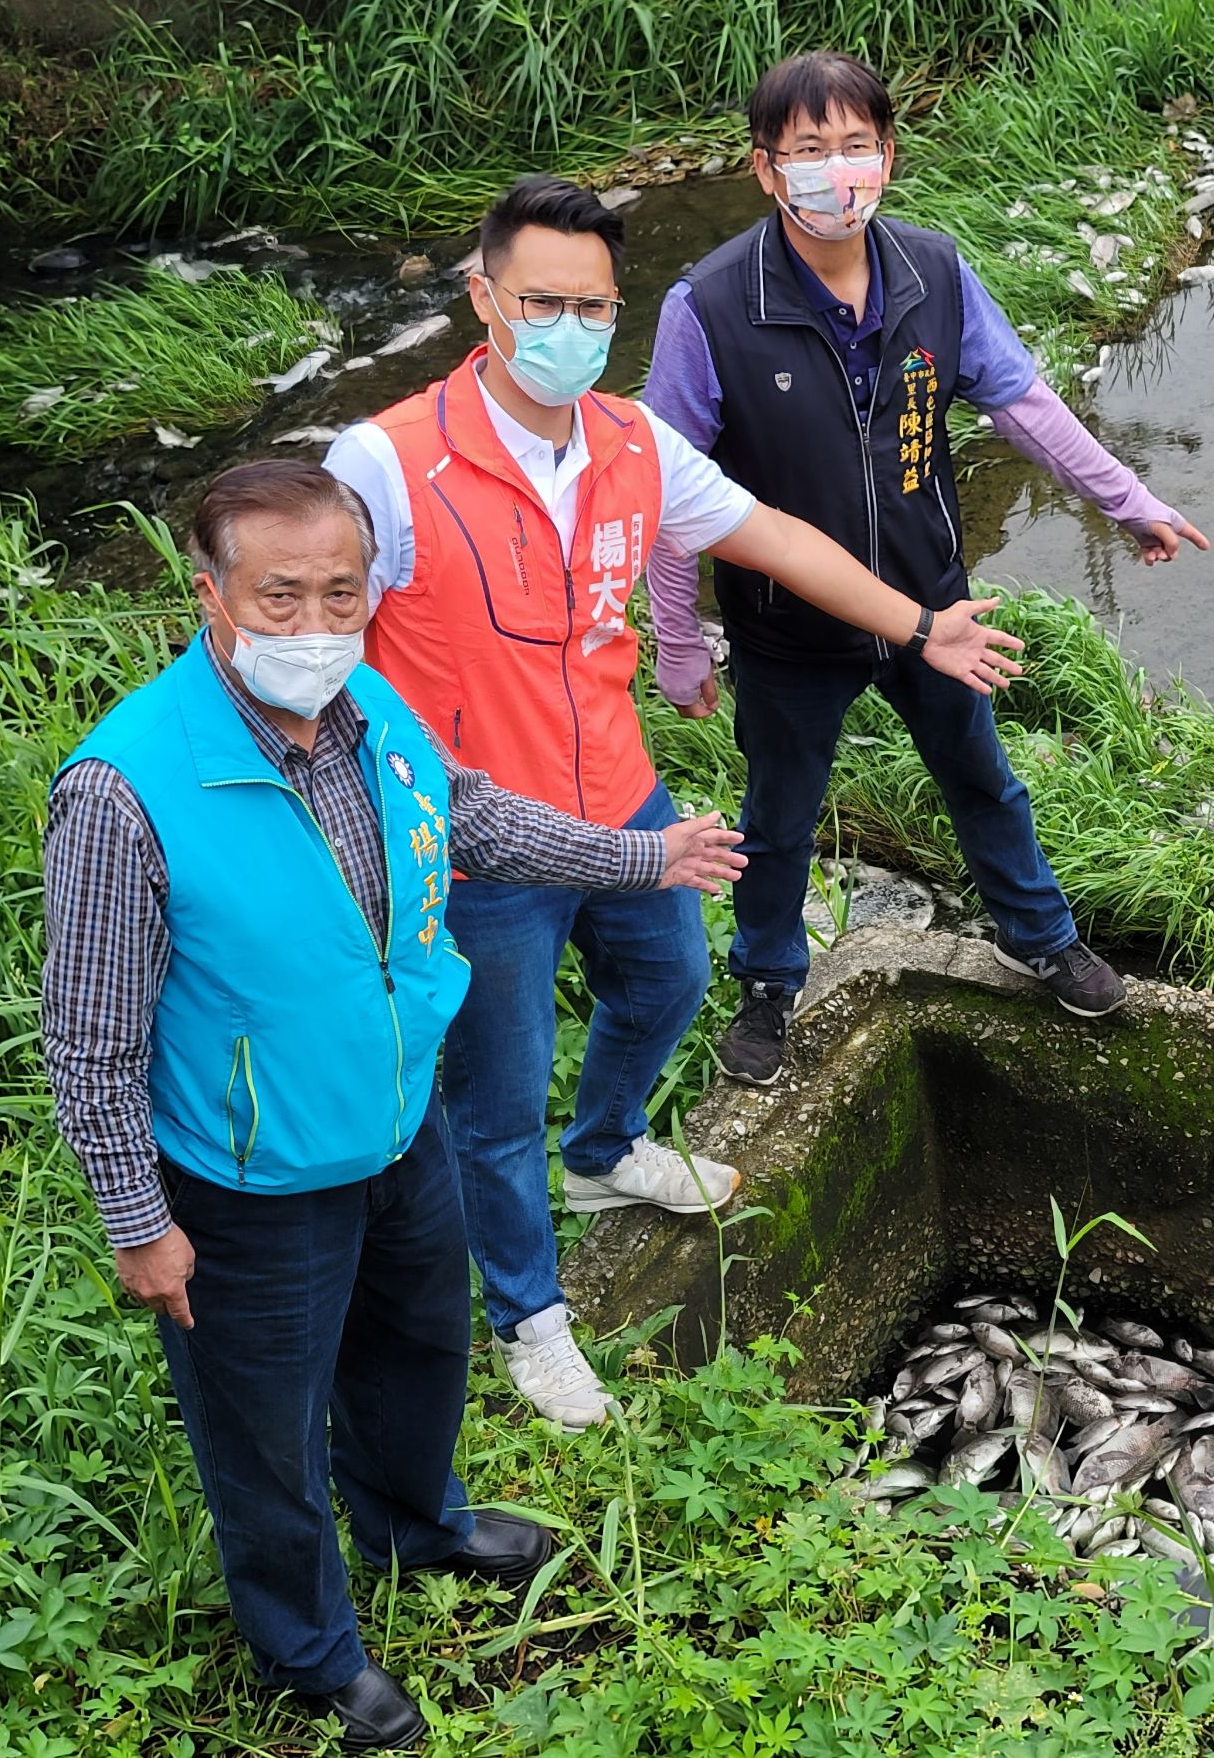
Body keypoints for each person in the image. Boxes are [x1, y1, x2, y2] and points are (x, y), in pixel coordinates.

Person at [41, 462, 751, 1749]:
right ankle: (309, 1650)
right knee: (264, 1431)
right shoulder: (127, 787)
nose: (315, 627)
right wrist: (139, 1221)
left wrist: (648, 855)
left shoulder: (371, 703)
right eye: (280, 597)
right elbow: (88, 1045)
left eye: (340, 595)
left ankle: (418, 1522)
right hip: (248, 1175)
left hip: (395, 1118)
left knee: (421, 1347)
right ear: (210, 597)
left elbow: (469, 816)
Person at [325, 175, 1021, 1428]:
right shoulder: (384, 463)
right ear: (482, 297)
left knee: (670, 984)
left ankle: (600, 1155)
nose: (570, 327)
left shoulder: (633, 445)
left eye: (594, 305)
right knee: (495, 1095)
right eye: (543, 299)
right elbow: (315, 646)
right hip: (480, 838)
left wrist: (919, 627)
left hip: (625, 806)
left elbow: (782, 539)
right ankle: (530, 1318)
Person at [641, 51, 1213, 1090]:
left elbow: (1022, 403)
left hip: (932, 607)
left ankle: (1036, 936)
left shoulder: (934, 274)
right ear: (767, 169)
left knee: (982, 778)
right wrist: (676, 641)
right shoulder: (710, 306)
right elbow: (663, 493)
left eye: (856, 145)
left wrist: (1130, 500)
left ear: (889, 156)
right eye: (810, 150)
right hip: (786, 628)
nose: (837, 169)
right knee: (778, 814)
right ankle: (769, 982)